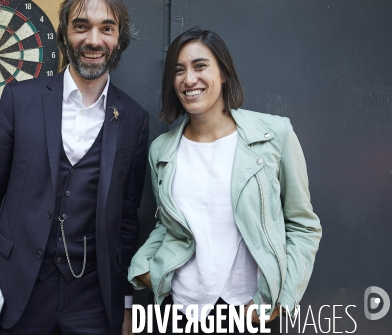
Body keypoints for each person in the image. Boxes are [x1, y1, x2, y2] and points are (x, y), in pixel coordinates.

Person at [0, 0, 149, 335]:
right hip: (18, 291)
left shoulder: (134, 118)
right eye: (81, 26)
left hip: (94, 299)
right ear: (65, 34)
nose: (94, 40)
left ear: (119, 39)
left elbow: (126, 221)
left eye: (107, 28)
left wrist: (125, 300)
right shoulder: (19, 100)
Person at [128, 27, 322, 334]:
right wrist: (145, 267)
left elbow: (303, 225)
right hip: (178, 310)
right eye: (178, 70)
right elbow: (167, 225)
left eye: (200, 66)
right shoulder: (162, 150)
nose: (189, 79)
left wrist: (281, 302)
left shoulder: (275, 135)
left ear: (224, 73)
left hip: (245, 310)